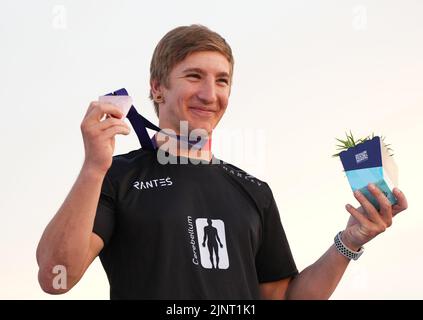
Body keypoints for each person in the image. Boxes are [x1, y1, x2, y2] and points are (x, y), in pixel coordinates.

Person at [36, 24, 408, 299]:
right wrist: (93, 167)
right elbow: (57, 277)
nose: (209, 94)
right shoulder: (118, 176)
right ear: (157, 87)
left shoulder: (254, 191)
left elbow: (281, 298)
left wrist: (350, 241)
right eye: (194, 76)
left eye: (222, 81)